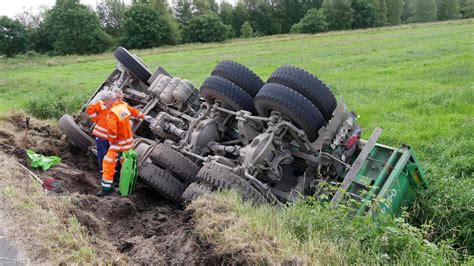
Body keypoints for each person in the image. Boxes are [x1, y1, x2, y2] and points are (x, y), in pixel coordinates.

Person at [85, 91, 116, 172]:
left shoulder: (113, 107)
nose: (114, 101)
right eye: (113, 99)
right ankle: (103, 170)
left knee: (109, 154)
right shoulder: (101, 104)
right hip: (100, 135)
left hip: (109, 137)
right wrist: (97, 119)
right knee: (102, 153)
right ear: (107, 100)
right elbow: (89, 110)